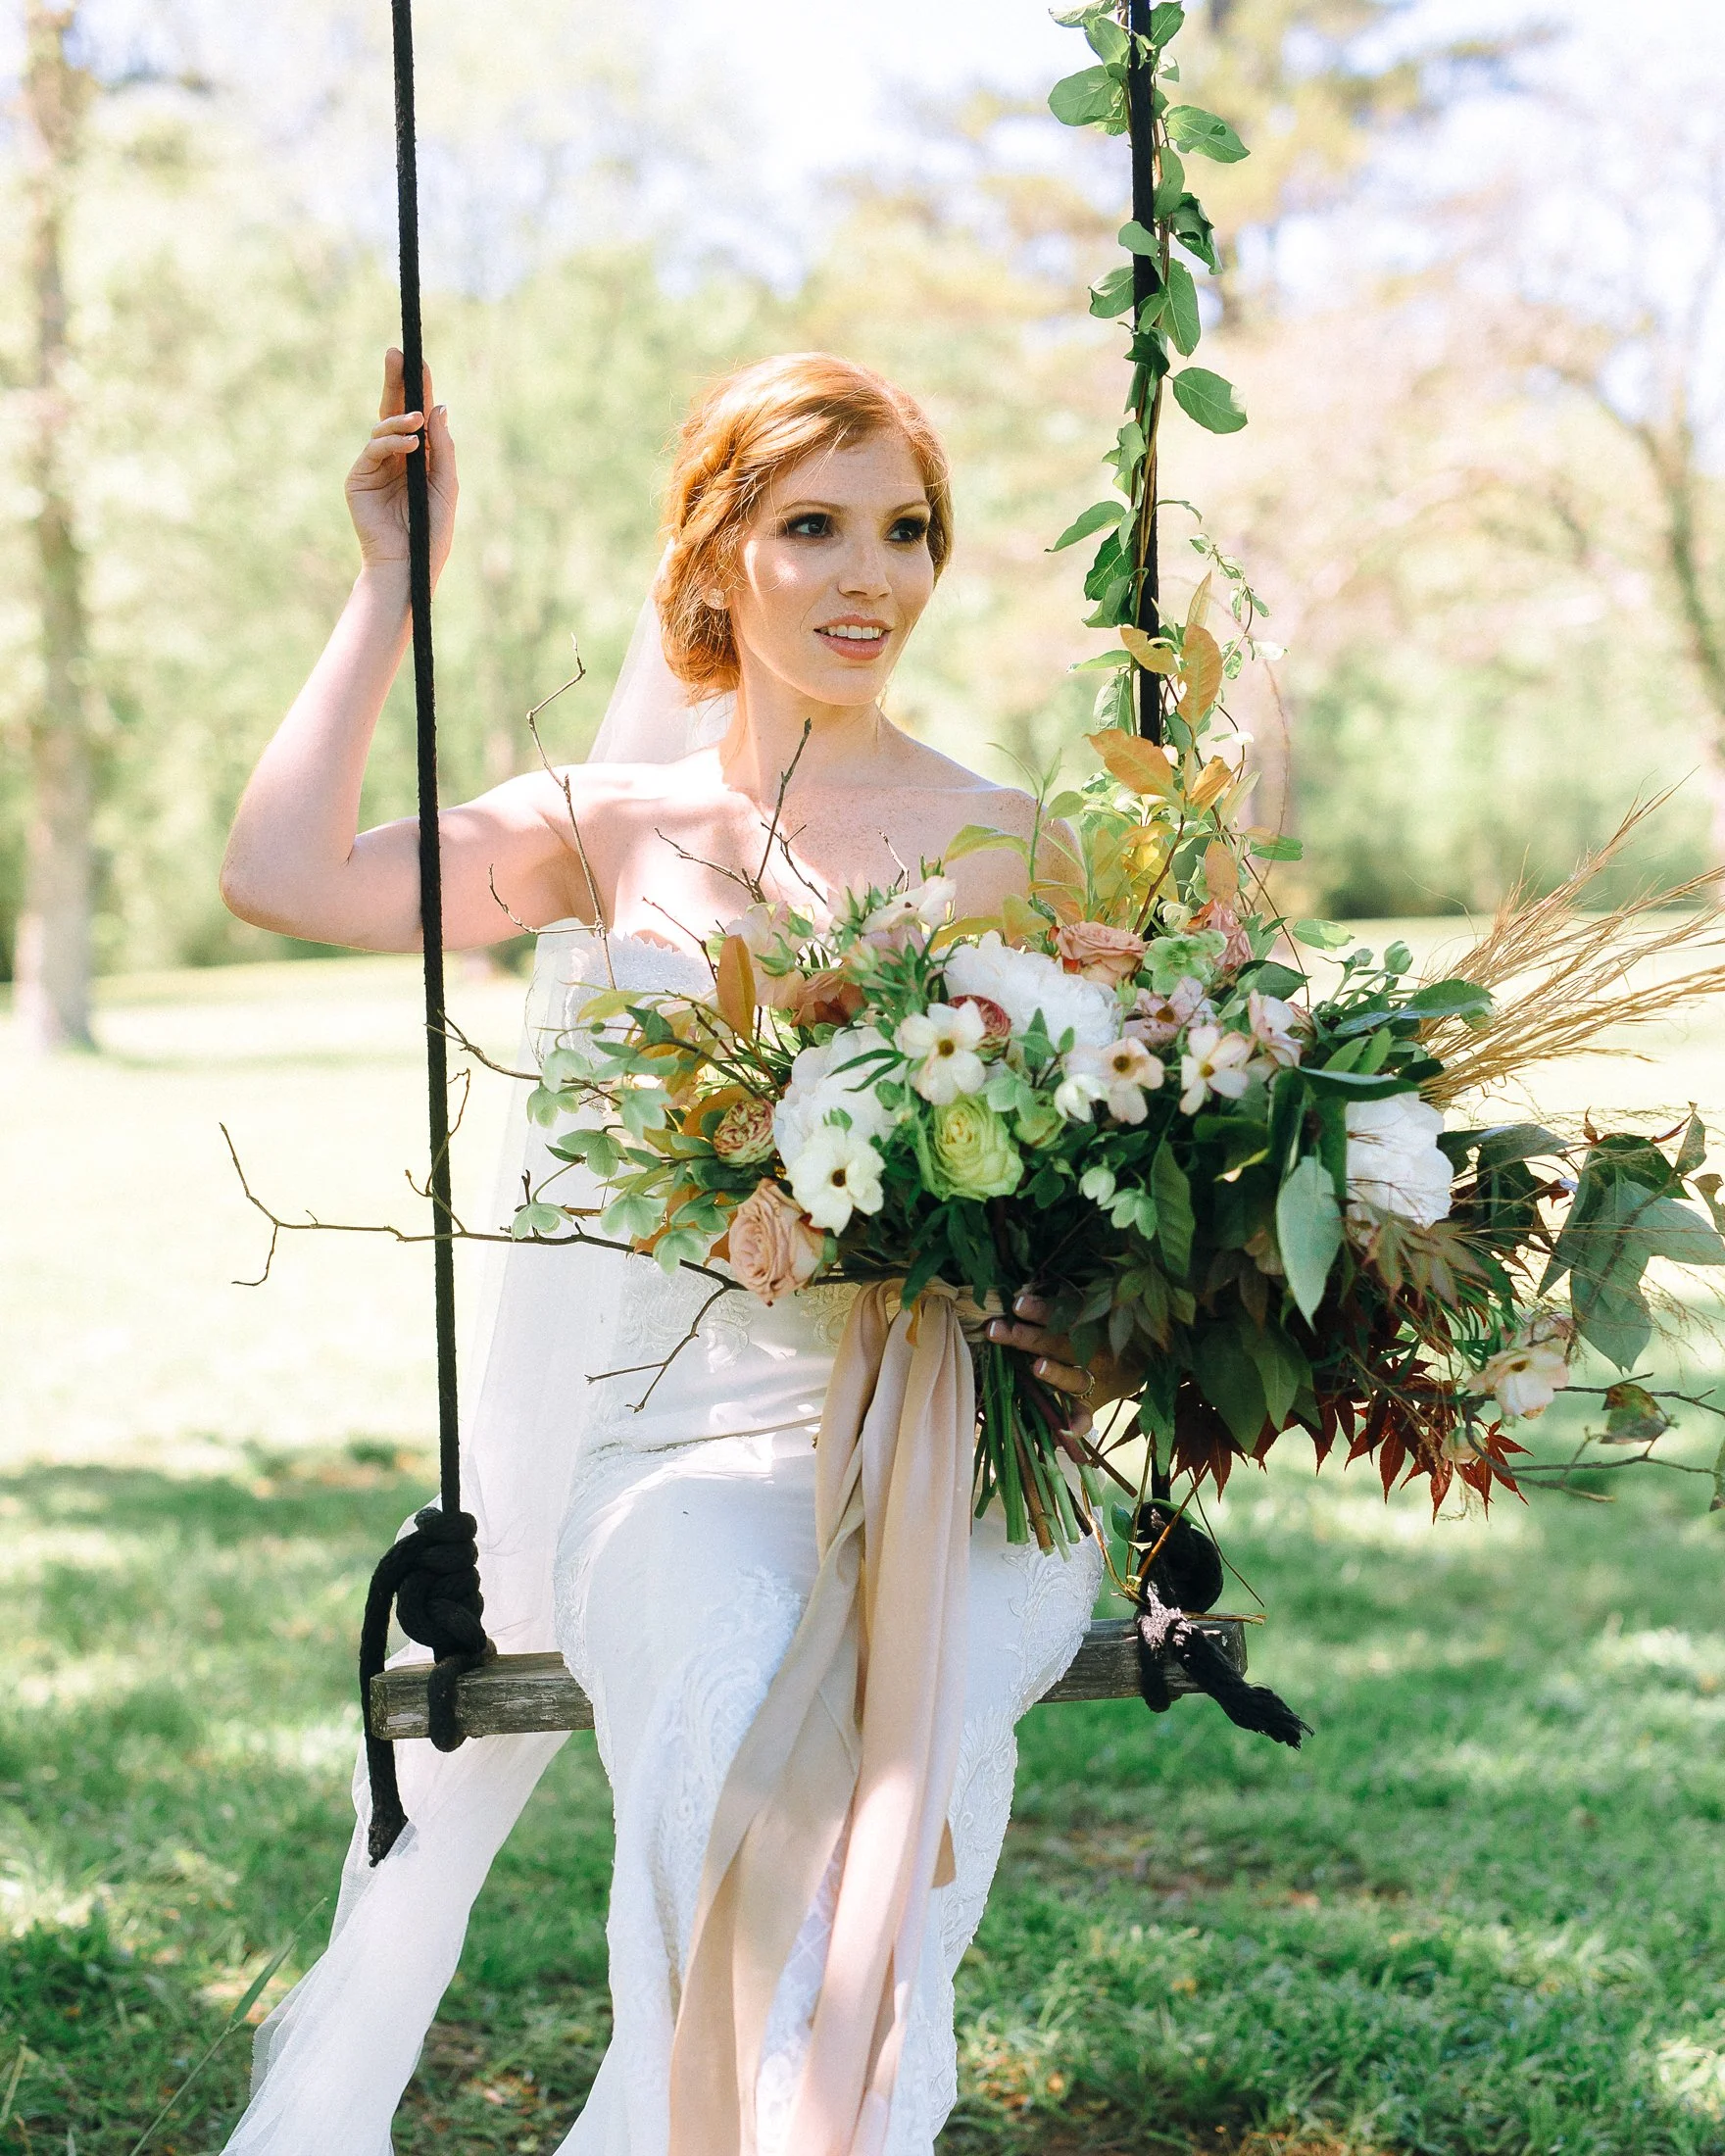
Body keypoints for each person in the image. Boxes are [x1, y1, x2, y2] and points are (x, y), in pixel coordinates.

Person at [217, 348, 1125, 2155]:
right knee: (725, 1696)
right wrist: (390, 590)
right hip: (682, 1454)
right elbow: (280, 876)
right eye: (813, 527)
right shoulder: (607, 828)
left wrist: (1093, 1345)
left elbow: (1142, 1195)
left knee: (900, 1743)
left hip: (972, 1461)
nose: (872, 576)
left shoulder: (1021, 843)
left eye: (906, 531)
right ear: (713, 557)